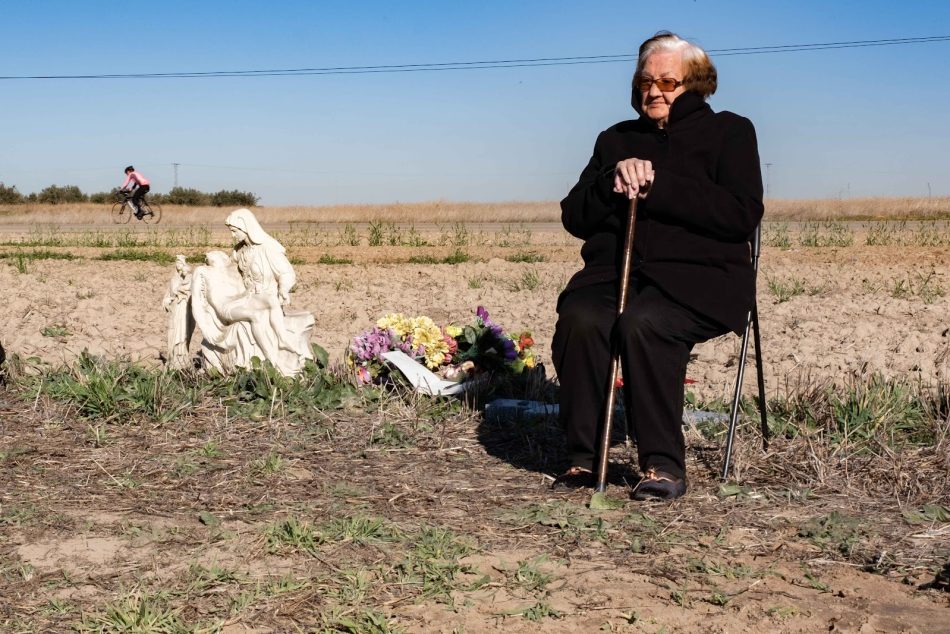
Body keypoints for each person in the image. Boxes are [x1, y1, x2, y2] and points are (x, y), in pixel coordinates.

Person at [551, 32, 764, 500]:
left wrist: (660, 185)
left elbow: (741, 215)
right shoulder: (616, 139)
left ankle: (662, 465)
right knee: (583, 319)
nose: (654, 91)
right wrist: (612, 180)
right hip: (615, 274)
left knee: (644, 325)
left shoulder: (730, 132)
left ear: (697, 83)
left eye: (669, 81)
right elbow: (574, 217)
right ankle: (585, 458)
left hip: (701, 280)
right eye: (646, 81)